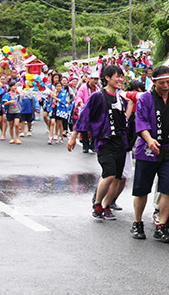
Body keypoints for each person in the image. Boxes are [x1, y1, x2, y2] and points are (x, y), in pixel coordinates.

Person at [131, 65, 169, 242]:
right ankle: (137, 222)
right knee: (142, 189)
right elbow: (140, 122)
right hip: (148, 149)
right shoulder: (145, 98)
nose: (166, 86)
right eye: (162, 82)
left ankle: (162, 226)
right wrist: (149, 139)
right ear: (154, 82)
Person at [68, 65, 134, 221]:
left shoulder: (120, 98)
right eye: (117, 76)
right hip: (105, 141)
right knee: (109, 173)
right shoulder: (98, 96)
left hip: (120, 141)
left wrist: (130, 106)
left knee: (117, 177)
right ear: (107, 78)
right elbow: (84, 115)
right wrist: (73, 136)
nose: (120, 79)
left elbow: (123, 120)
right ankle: (97, 204)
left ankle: (106, 205)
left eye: (121, 76)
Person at [75, 73, 100, 153]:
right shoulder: (83, 87)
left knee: (94, 128)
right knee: (84, 128)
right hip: (85, 110)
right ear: (89, 79)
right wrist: (80, 102)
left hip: (95, 111)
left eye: (97, 79)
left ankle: (93, 145)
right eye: (94, 79)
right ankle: (85, 146)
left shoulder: (97, 89)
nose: (95, 81)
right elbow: (78, 96)